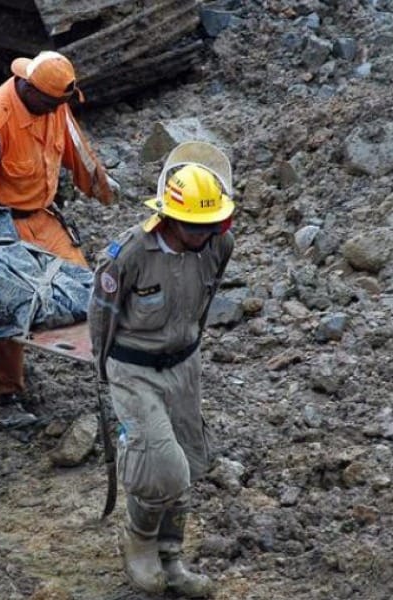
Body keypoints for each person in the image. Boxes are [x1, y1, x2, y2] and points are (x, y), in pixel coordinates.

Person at [88, 141, 236, 597]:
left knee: (189, 464)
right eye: (195, 226)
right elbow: (102, 317)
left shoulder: (218, 244)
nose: (204, 234)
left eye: (211, 224)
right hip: (135, 368)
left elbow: (204, 302)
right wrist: (105, 374)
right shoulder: (127, 255)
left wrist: (189, 351)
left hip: (182, 366)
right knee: (161, 467)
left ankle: (171, 557)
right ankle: (139, 540)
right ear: (169, 217)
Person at [0, 50, 121, 429]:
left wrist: (102, 185)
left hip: (43, 217)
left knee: (88, 294)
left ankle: (116, 373)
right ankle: (5, 395)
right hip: (2, 226)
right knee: (7, 309)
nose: (58, 110)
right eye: (53, 104)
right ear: (30, 89)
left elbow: (78, 151)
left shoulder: (54, 106)